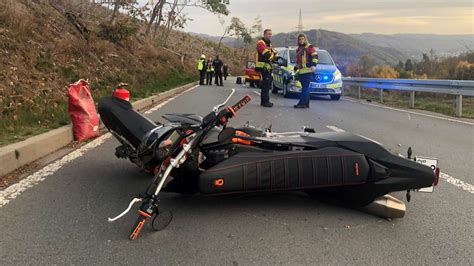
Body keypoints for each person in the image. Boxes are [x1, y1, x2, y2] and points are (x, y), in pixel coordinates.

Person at [294, 33, 318, 108]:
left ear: (305, 39)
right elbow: (298, 61)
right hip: (301, 71)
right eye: (300, 39)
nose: (301, 40)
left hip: (308, 70)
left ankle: (302, 103)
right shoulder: (298, 49)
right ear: (298, 40)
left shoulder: (309, 47)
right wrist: (296, 68)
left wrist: (314, 65)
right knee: (305, 87)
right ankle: (306, 103)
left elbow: (315, 56)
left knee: (305, 88)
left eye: (303, 39)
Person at [255, 29, 277, 107]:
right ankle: (265, 102)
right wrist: (274, 57)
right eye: (268, 34)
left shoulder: (268, 44)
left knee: (267, 85)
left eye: (271, 34)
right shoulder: (261, 43)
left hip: (267, 67)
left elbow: (271, 53)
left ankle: (265, 101)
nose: (270, 35)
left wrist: (274, 55)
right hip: (263, 67)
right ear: (264, 34)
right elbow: (266, 54)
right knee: (266, 84)